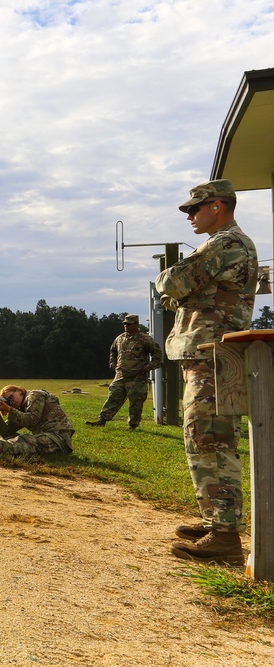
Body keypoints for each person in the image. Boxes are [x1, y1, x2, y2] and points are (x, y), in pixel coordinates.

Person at [155, 178, 258, 566]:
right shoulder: (225, 245)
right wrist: (181, 289)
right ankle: (217, 519)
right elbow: (178, 288)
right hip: (208, 355)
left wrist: (177, 286)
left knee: (210, 441)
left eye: (194, 208)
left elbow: (171, 282)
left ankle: (225, 537)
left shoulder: (226, 243)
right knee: (205, 438)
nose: (190, 215)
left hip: (213, 355)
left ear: (218, 206)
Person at [85, 314, 163, 430]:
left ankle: (133, 425)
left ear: (136, 325)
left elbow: (158, 355)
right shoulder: (120, 338)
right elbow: (113, 351)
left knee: (136, 402)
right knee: (113, 396)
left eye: (128, 324)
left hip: (137, 377)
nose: (126, 326)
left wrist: (148, 367)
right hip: (121, 375)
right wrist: (113, 363)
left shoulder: (145, 339)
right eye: (124, 324)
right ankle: (102, 419)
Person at [0, 385, 74, 456]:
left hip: (58, 439)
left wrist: (9, 409)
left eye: (11, 397)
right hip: (47, 438)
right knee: (11, 438)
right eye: (8, 402)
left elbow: (31, 420)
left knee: (25, 440)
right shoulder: (20, 408)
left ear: (19, 390)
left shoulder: (35, 395)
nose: (11, 402)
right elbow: (6, 432)